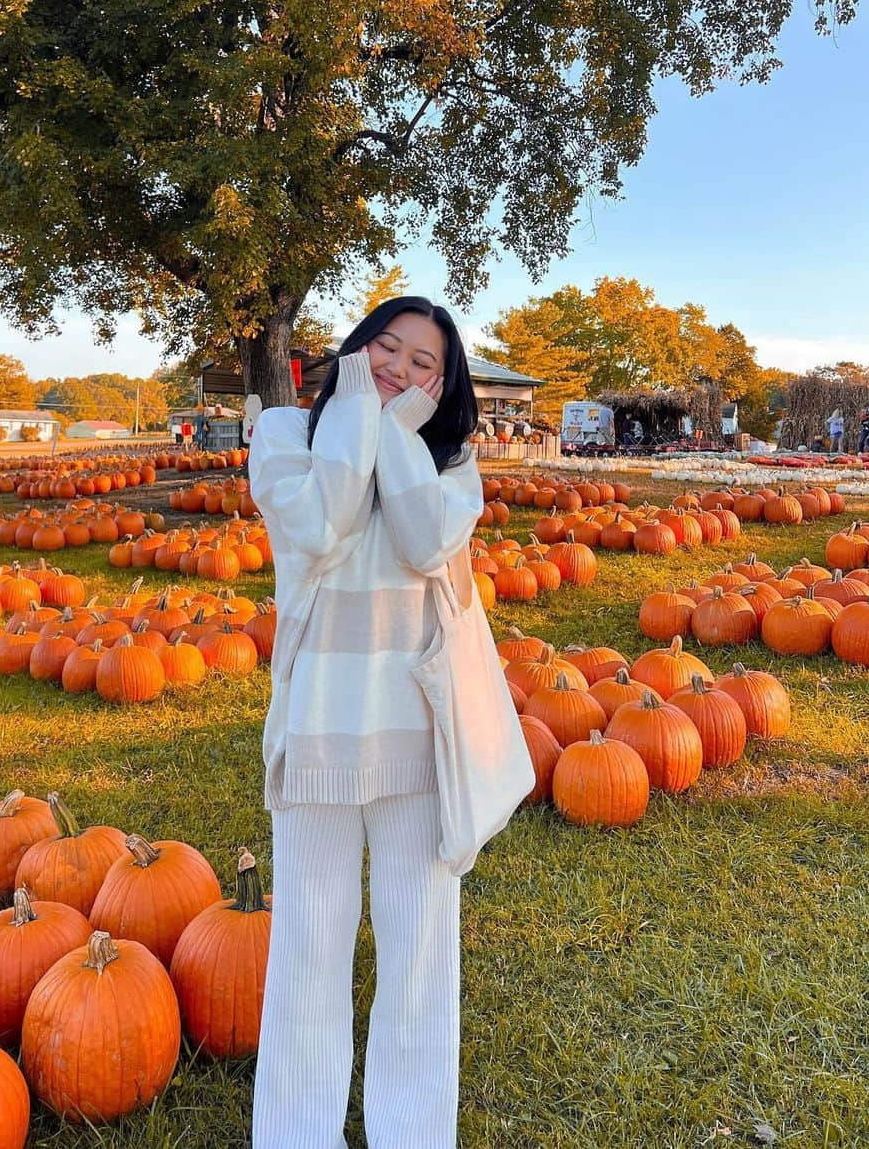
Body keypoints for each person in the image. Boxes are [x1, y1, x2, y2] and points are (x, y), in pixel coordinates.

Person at [248, 297, 499, 1148]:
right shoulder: (285, 434)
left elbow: (428, 542)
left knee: (420, 958)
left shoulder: (450, 462)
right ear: (354, 349)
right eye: (384, 348)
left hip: (420, 739)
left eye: (422, 362)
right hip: (318, 730)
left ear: (445, 384)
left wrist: (396, 434)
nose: (399, 366)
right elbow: (319, 524)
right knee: (307, 956)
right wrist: (359, 414)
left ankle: (414, 1135)